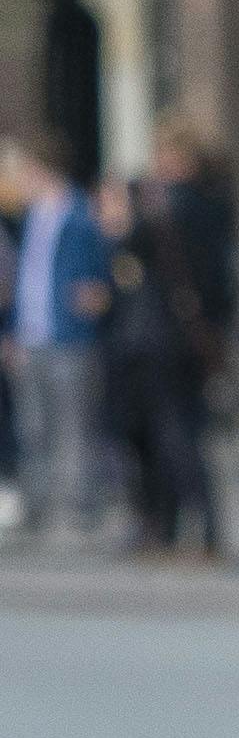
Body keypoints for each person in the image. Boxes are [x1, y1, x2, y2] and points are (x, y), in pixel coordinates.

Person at [98, 168, 218, 559]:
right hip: (144, 352)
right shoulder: (146, 236)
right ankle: (162, 525)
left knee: (173, 435)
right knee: (147, 441)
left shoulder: (146, 234)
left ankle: (199, 524)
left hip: (154, 352)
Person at [5, 138, 101, 541]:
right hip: (31, 336)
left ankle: (74, 509)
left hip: (69, 337)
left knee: (72, 428)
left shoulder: (79, 216)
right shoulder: (28, 218)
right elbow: (23, 281)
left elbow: (95, 276)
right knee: (33, 426)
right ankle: (38, 507)